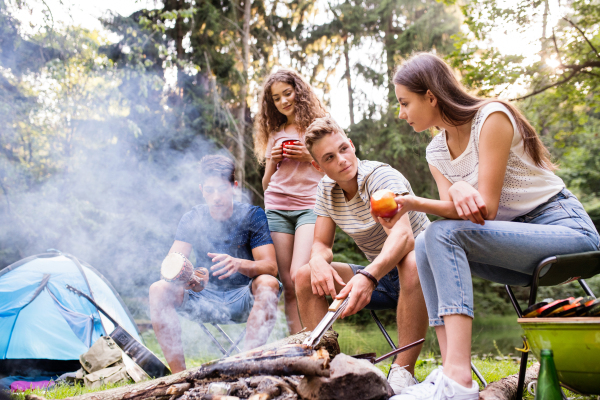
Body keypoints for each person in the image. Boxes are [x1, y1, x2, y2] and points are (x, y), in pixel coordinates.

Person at [384, 53, 600, 400]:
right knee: (426, 240)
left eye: (404, 103)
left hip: (567, 231)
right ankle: (452, 371)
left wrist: (418, 200)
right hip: (514, 246)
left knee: (437, 234)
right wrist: (436, 195)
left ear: (431, 96)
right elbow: (459, 215)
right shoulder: (436, 151)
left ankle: (456, 378)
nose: (401, 114)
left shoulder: (491, 117)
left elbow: (487, 206)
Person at [294, 116, 431, 394]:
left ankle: (403, 373)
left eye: (344, 149)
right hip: (382, 278)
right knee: (304, 275)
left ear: (352, 145)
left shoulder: (380, 177)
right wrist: (317, 260)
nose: (342, 160)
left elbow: (403, 238)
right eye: (330, 158)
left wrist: (368, 276)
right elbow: (321, 243)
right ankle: (328, 371)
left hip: (426, 276)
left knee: (411, 260)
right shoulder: (326, 189)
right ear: (318, 166)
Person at [149, 155, 282, 373]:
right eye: (209, 190)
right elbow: (170, 267)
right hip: (204, 298)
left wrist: (238, 263)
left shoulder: (252, 216)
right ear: (201, 189)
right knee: (158, 289)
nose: (216, 197)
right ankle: (179, 378)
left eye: (222, 189)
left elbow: (270, 267)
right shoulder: (193, 218)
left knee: (268, 283)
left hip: (243, 297)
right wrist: (191, 278)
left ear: (234, 187)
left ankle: (246, 369)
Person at [254, 68, 328, 334]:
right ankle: (298, 345)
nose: (284, 101)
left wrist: (309, 157)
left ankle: (317, 338)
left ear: (299, 91)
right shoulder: (275, 133)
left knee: (300, 275)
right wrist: (273, 160)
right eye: (276, 98)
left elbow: (340, 168)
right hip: (277, 209)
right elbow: (266, 184)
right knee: (286, 282)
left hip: (311, 206)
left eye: (288, 93)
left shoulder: (320, 127)